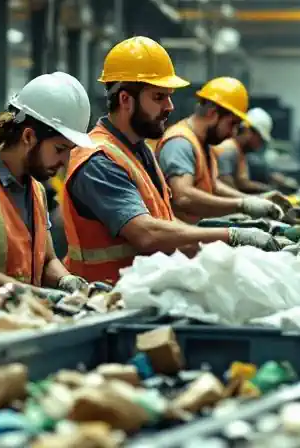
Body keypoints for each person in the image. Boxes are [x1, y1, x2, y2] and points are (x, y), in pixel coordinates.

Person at [62, 37, 278, 284]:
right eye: (158, 97)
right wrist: (231, 236)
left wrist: (229, 256)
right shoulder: (99, 159)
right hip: (104, 299)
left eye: (169, 96)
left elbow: (165, 222)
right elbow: (146, 233)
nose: (170, 106)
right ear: (125, 100)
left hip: (141, 291)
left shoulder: (138, 151)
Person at [0, 72, 94, 294]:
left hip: (12, 321)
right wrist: (32, 292)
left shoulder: (36, 190)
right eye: (59, 149)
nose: (64, 162)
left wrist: (67, 282)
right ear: (28, 137)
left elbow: (47, 260)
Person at [155, 77, 283, 223]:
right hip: (177, 240)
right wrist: (242, 205)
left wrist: (254, 199)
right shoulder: (180, 142)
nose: (233, 133)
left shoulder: (202, 144)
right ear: (212, 113)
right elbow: (183, 196)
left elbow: (214, 186)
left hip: (195, 232)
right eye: (232, 124)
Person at [215, 107, 278, 194]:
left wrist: (268, 189)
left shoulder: (240, 151)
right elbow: (226, 185)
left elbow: (242, 182)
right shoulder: (228, 149)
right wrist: (250, 200)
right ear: (248, 131)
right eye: (260, 139)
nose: (259, 145)